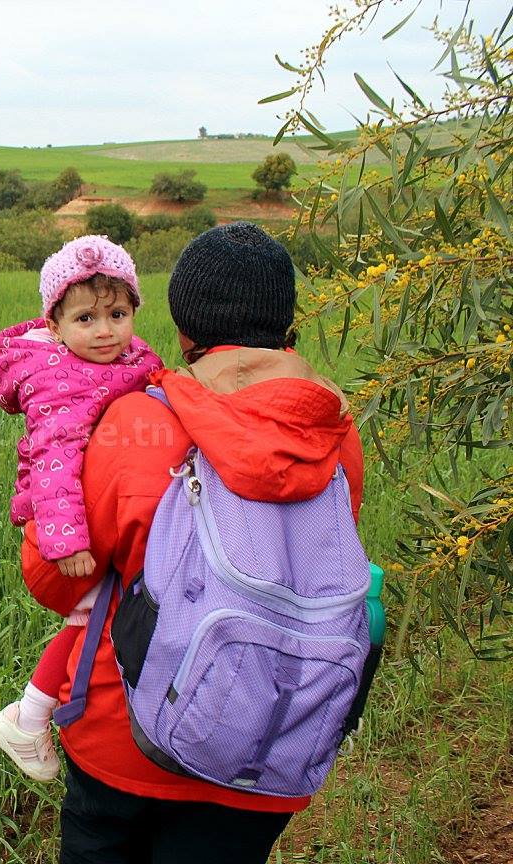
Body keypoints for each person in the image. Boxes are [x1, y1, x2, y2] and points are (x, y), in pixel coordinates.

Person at [22, 222, 365, 863]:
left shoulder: (136, 422)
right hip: (266, 744)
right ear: (287, 323)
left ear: (183, 331)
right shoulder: (331, 430)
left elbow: (53, 581)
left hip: (125, 733)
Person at [0, 235, 163, 782]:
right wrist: (69, 544)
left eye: (118, 313)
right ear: (56, 326)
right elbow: (55, 464)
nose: (105, 330)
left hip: (96, 509)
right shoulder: (57, 380)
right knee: (92, 620)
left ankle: (31, 717)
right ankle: (30, 718)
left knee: (96, 620)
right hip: (63, 521)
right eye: (86, 319)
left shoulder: (127, 358)